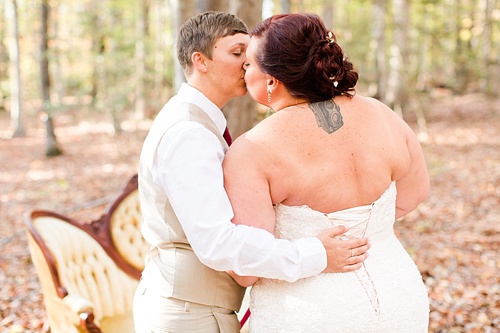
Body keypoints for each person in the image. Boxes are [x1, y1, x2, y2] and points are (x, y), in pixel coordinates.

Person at [133, 11, 370, 333]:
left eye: (249, 54)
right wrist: (314, 253)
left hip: (200, 306)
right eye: (235, 53)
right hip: (188, 314)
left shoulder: (198, 122)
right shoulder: (189, 133)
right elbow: (217, 242)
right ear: (200, 61)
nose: (248, 64)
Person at [223, 13, 430, 332]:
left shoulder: (253, 149)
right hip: (399, 298)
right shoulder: (381, 114)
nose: (243, 70)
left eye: (249, 64)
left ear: (271, 82)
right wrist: (367, 231)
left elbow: (247, 269)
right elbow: (415, 193)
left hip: (310, 312)